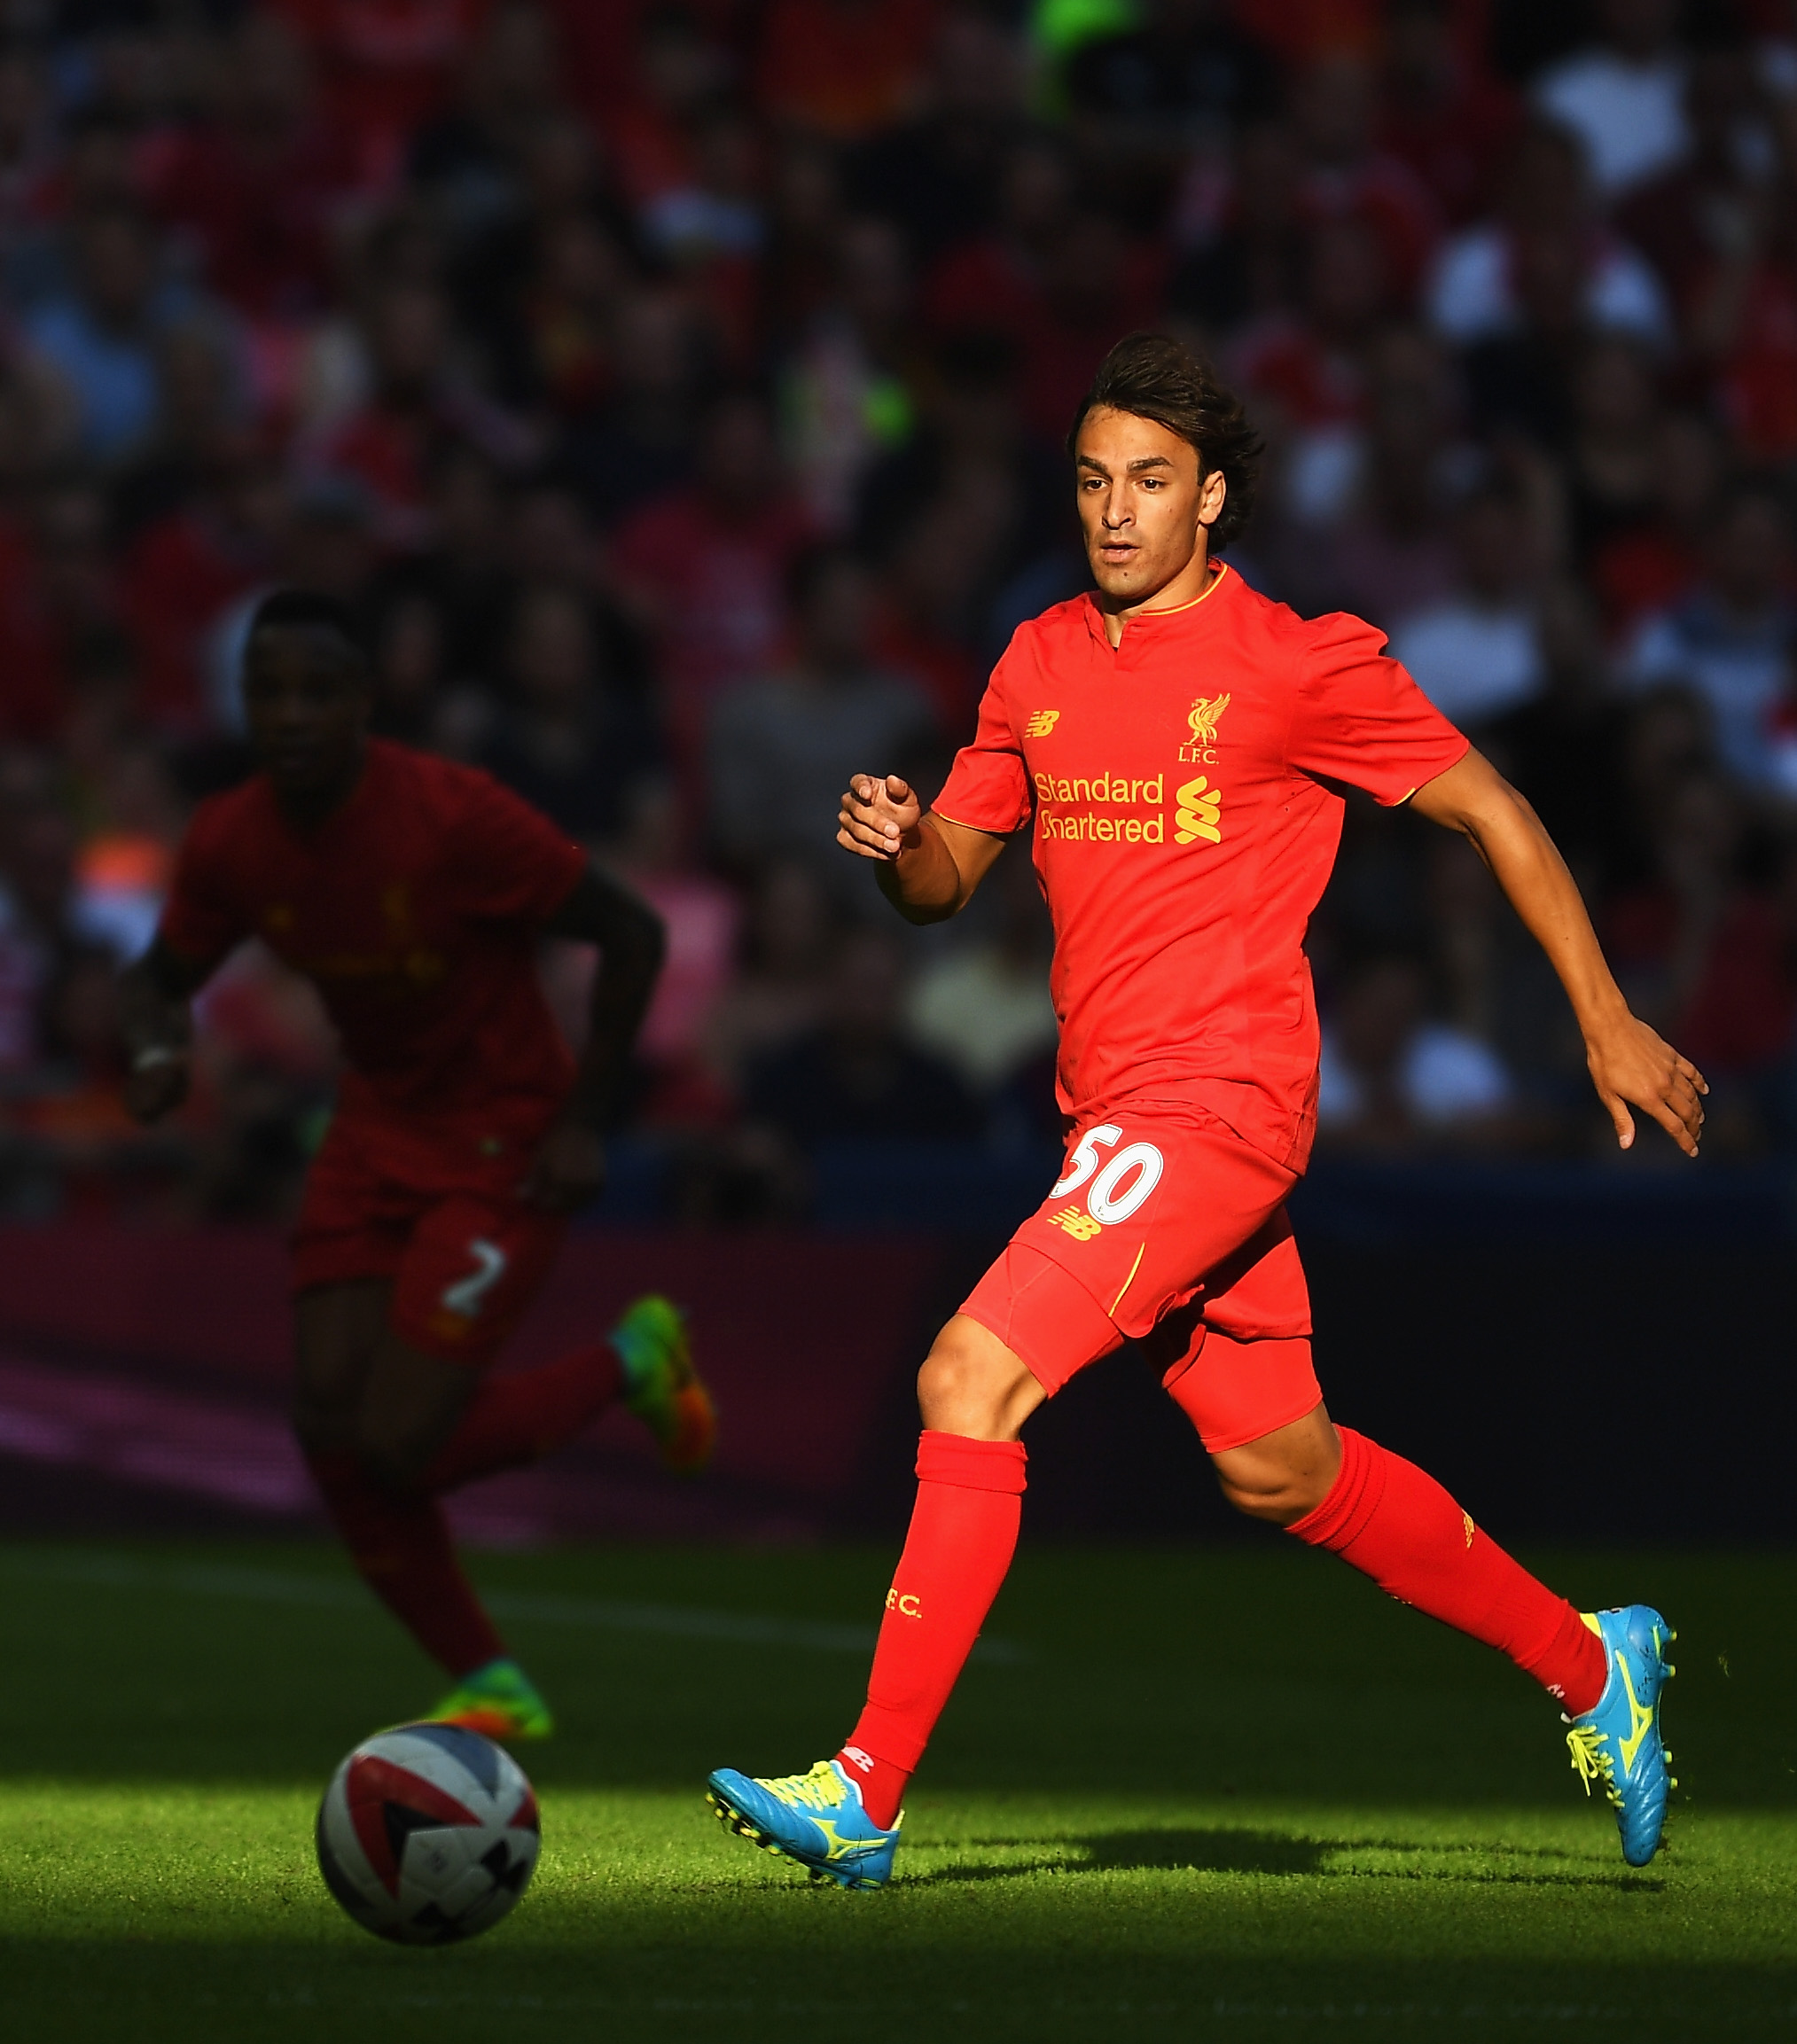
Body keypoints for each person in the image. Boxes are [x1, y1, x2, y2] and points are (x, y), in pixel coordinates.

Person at [707, 333, 1696, 1890]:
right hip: (1118, 1114)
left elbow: (1491, 805)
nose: (1115, 511)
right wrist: (898, 843)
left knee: (969, 1375)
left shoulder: (1295, 664)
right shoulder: (1033, 662)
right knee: (1280, 1467)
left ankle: (865, 1789)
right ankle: (1594, 1662)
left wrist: (1604, 1014)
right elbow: (945, 885)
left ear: (1212, 498)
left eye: (1150, 483)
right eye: (1095, 480)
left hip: (1217, 1107)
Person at [118, 588, 711, 1739]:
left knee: (399, 1442)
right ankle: (491, 1678)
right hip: (376, 1123)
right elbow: (158, 977)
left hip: (504, 1137)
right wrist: (153, 1048)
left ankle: (632, 1359)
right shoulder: (233, 837)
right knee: (326, 1422)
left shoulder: (452, 818)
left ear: (364, 704)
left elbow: (631, 932)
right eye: (266, 691)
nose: (287, 714)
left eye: (315, 691)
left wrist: (588, 1118)